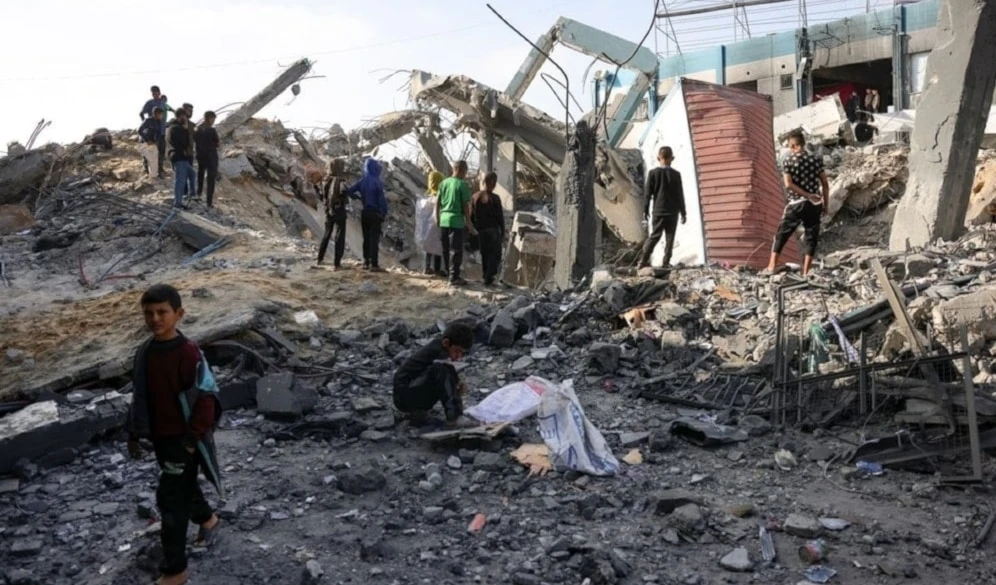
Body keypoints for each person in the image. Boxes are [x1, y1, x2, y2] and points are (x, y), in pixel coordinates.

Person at [125, 284, 223, 585]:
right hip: (161, 438)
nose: (155, 318)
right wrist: (136, 432)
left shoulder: (187, 353)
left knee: (170, 500)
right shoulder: (145, 351)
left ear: (179, 314)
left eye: (162, 312)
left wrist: (192, 440)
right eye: (149, 313)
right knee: (181, 483)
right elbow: (141, 394)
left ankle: (175, 570)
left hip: (183, 440)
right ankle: (208, 519)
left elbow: (207, 397)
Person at [765, 130, 829, 277]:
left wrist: (805, 195)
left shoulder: (788, 161)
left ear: (794, 146)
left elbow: (788, 184)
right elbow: (825, 184)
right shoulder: (816, 159)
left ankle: (771, 266)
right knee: (811, 238)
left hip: (797, 204)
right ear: (804, 144)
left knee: (782, 234)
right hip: (815, 205)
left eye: (789, 146)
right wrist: (826, 205)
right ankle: (805, 272)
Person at [393, 322, 473, 425]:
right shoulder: (437, 351)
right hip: (404, 396)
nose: (458, 356)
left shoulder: (440, 352)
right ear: (446, 343)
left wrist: (456, 383)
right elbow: (444, 371)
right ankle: (454, 417)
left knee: (447, 373)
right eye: (457, 351)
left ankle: (452, 414)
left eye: (462, 353)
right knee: (442, 369)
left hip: (412, 392)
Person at [639, 146, 686, 270]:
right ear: (672, 158)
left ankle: (643, 260)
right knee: (670, 238)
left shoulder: (653, 173)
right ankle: (666, 262)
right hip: (672, 212)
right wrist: (683, 212)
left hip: (658, 211)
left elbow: (648, 194)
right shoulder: (676, 175)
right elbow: (679, 194)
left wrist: (645, 210)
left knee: (654, 236)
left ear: (658, 158)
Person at [437, 160, 476, 286]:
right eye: (465, 171)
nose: (465, 174)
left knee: (446, 249)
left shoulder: (443, 183)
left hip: (444, 220)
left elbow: (438, 202)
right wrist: (469, 223)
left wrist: (437, 217)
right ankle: (454, 277)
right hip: (456, 221)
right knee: (456, 250)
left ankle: (449, 274)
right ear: (460, 170)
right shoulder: (462, 185)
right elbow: (465, 206)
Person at [345, 158, 388, 271]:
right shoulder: (377, 182)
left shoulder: (362, 181)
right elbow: (382, 200)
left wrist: (359, 198)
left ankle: (366, 262)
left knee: (366, 238)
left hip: (365, 212)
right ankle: (374, 264)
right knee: (374, 239)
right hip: (375, 213)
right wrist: (383, 213)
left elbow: (349, 191)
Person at [471, 172, 505, 286]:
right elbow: (500, 217)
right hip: (493, 230)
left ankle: (486, 275)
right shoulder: (495, 198)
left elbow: (471, 215)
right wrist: (503, 231)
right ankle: (490, 277)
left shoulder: (475, 196)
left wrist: (472, 229)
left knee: (484, 253)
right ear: (493, 183)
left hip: (480, 230)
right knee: (494, 254)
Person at [317, 158, 349, 269]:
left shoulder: (325, 179)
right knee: (339, 236)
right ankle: (337, 263)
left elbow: (321, 195)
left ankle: (320, 258)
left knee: (326, 234)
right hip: (339, 210)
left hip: (327, 210)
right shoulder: (341, 181)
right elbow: (344, 192)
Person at [166, 109, 196, 209]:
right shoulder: (177, 128)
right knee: (181, 180)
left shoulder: (172, 127)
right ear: (180, 116)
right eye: (184, 116)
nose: (186, 119)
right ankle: (177, 203)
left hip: (180, 157)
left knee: (192, 174)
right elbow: (186, 143)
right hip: (179, 156)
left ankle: (192, 195)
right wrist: (186, 130)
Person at [140, 86, 168, 176]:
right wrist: (146, 124)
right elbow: (141, 113)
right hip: (152, 131)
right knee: (149, 151)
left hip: (162, 130)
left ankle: (160, 169)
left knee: (161, 151)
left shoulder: (163, 103)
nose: (155, 95)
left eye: (156, 93)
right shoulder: (149, 103)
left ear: (159, 93)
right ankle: (147, 169)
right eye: (153, 93)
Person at [194, 111, 220, 207]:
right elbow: (217, 142)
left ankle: (198, 195)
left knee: (200, 176)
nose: (213, 121)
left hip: (200, 156)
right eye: (213, 119)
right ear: (209, 118)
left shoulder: (197, 129)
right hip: (211, 157)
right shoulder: (211, 130)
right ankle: (209, 202)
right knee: (211, 180)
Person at [423, 171, 446, 277]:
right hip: (438, 224)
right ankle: (437, 269)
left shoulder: (427, 197)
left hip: (427, 226)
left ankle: (427, 267)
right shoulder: (441, 196)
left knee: (428, 246)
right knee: (438, 246)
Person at [139, 107, 165, 179]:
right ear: (156, 114)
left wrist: (156, 141)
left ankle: (156, 173)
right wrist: (147, 140)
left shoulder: (159, 122)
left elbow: (159, 133)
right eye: (160, 114)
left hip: (152, 142)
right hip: (144, 141)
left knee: (155, 158)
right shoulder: (148, 121)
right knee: (147, 158)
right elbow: (140, 130)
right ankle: (147, 173)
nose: (161, 116)